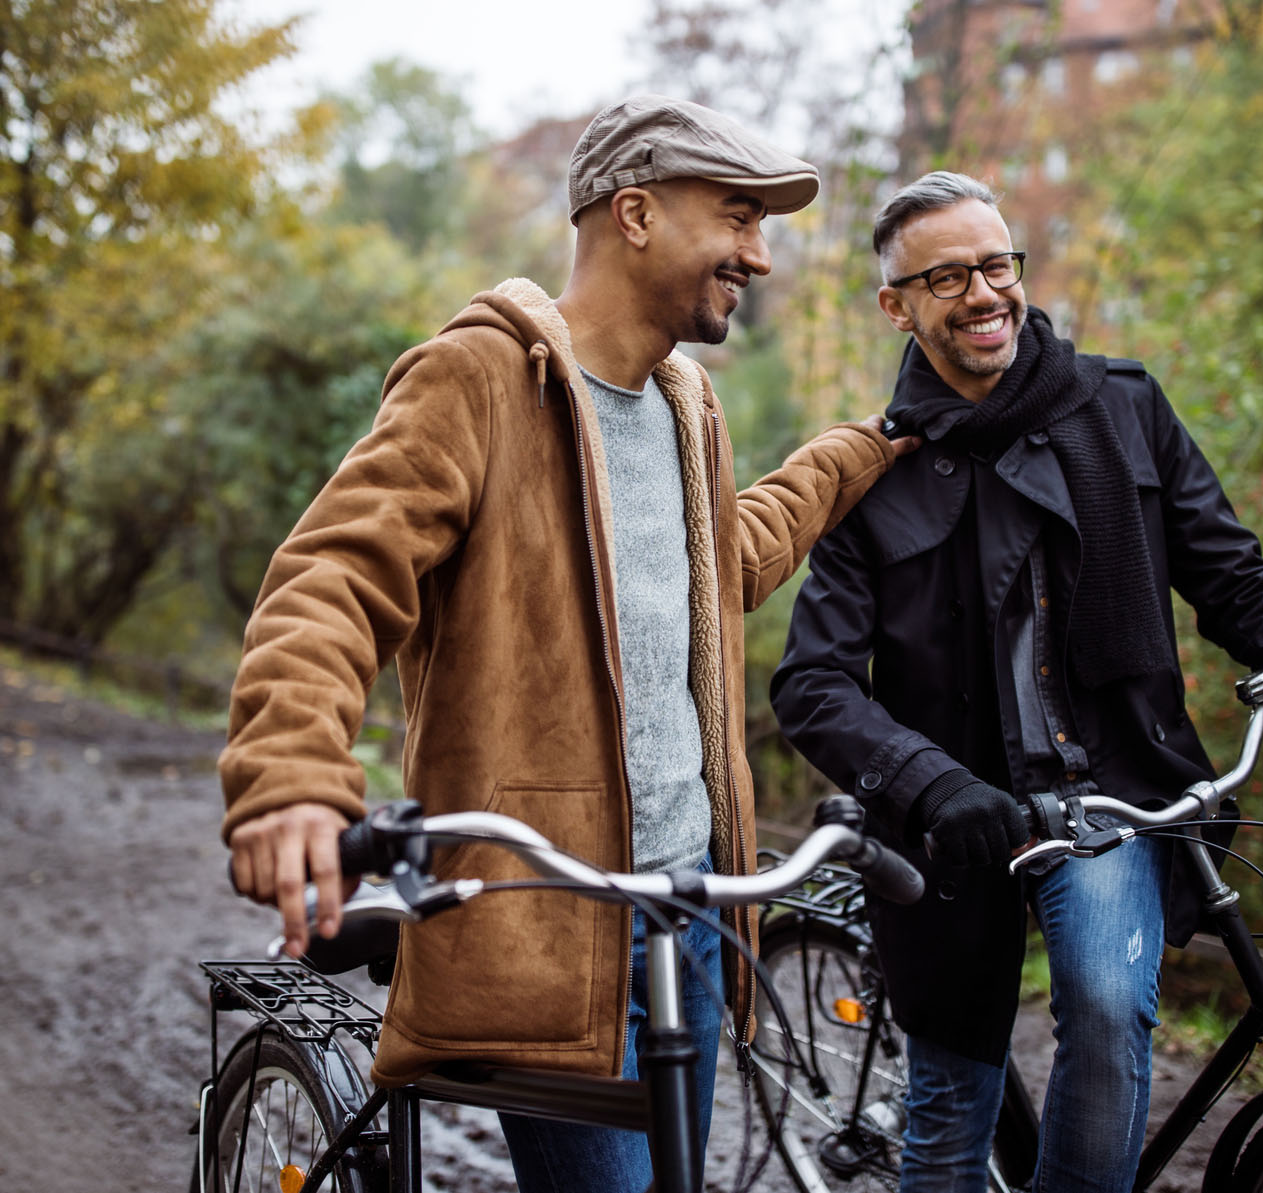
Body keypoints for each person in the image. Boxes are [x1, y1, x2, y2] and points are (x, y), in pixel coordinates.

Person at [217, 95, 915, 1192]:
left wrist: (862, 449)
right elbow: (333, 576)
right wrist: (291, 775)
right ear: (634, 212)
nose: (760, 256)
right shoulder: (481, 380)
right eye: (738, 217)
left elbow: (716, 562)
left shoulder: (689, 407)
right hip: (543, 920)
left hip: (689, 912)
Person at [769, 171, 1263, 1193]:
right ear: (898, 304)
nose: (984, 292)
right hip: (950, 822)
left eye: (997, 263)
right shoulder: (873, 470)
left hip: (1109, 789)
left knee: (1106, 1004)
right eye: (949, 274)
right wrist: (928, 782)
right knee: (947, 1113)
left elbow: (1233, 577)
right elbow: (814, 684)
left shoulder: (1124, 409)